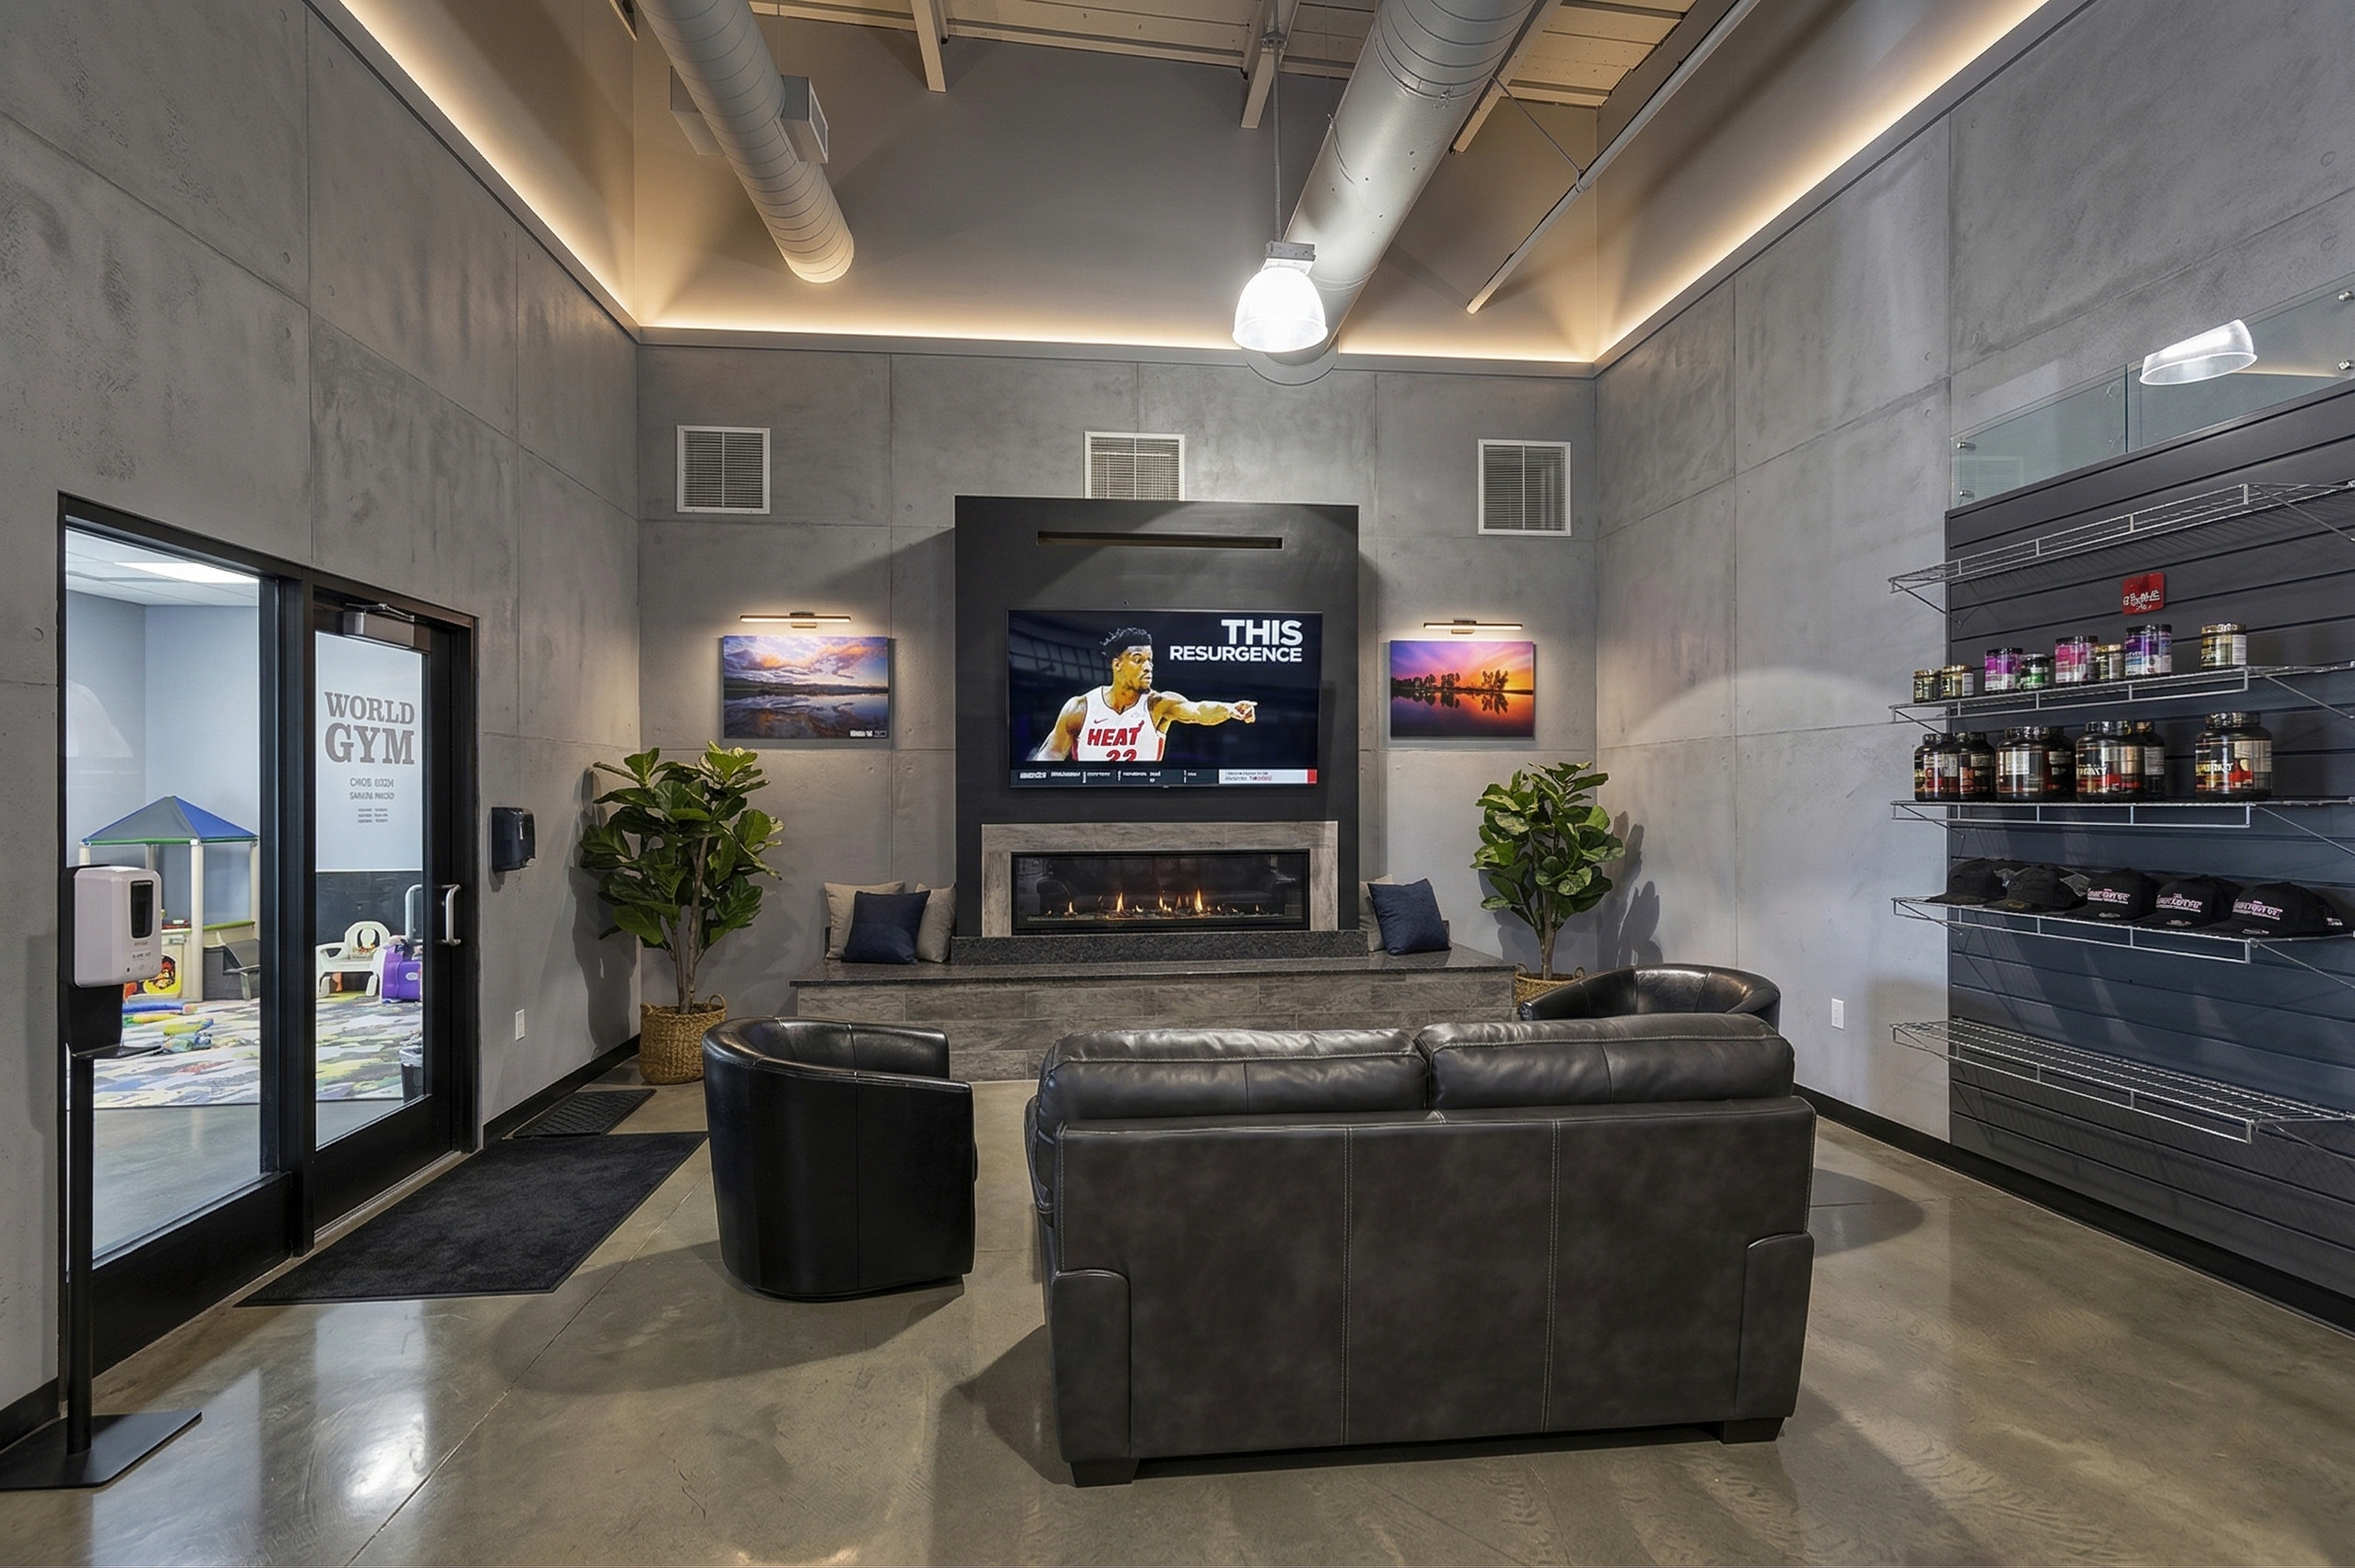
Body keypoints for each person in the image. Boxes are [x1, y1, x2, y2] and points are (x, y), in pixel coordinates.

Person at [1031, 626, 1257, 762]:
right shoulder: (1080, 707)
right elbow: (1050, 755)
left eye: (1150, 660)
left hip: (1142, 800)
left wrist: (1229, 709)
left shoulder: (1158, 704)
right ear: (1117, 664)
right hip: (1090, 800)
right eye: (1138, 660)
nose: (1148, 667)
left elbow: (1198, 710)